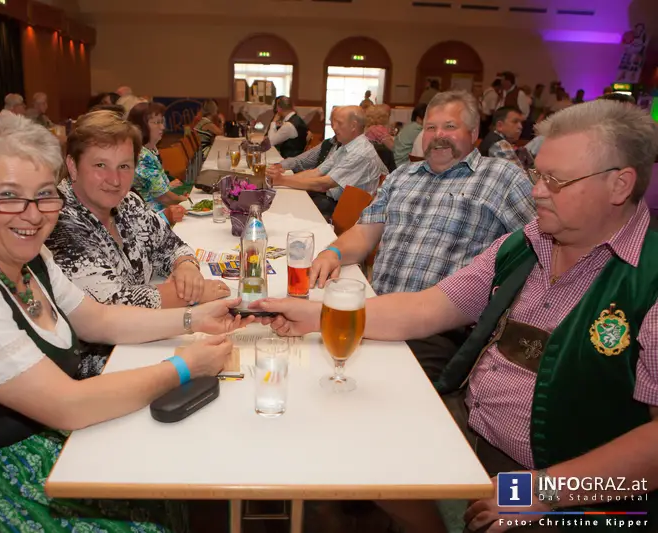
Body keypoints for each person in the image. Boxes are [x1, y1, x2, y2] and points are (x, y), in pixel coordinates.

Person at [254, 99, 658, 533]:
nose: (537, 190)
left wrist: (540, 492)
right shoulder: (528, 241)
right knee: (355, 440)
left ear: (620, 185)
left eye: (556, 181)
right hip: (474, 431)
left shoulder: (647, 280)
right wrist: (318, 315)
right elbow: (428, 306)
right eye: (539, 175)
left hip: (579, 486)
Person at [0, 114, 250, 533]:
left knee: (163, 473)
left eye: (44, 196)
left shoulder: (30, 256)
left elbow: (98, 319)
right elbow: (67, 406)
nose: (33, 216)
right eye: (9, 197)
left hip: (38, 433)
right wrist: (184, 367)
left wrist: (194, 318)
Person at [302, 91, 535, 381]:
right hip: (376, 310)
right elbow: (365, 232)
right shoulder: (403, 176)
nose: (438, 135)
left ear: (474, 133)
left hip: (436, 331)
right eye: (430, 128)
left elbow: (540, 248)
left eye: (450, 127)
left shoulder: (502, 178)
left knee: (370, 390)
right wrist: (332, 253)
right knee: (305, 360)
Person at [46, 110, 224, 377]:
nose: (115, 180)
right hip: (102, 366)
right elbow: (112, 306)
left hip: (148, 339)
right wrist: (195, 293)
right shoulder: (59, 223)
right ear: (72, 166)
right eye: (100, 166)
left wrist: (186, 266)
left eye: (124, 166)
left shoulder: (127, 201)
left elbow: (169, 243)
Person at [270, 106, 387, 218]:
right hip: (332, 202)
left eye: (339, 123)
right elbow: (316, 172)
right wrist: (280, 179)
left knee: (286, 209)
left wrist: (282, 180)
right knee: (285, 202)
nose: (334, 127)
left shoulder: (360, 152)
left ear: (353, 126)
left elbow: (324, 184)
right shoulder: (347, 146)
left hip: (345, 213)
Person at [128, 102, 190, 212]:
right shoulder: (142, 156)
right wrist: (189, 202)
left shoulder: (149, 150)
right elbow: (165, 198)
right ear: (140, 126)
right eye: (156, 122)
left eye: (162, 122)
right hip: (154, 217)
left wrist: (169, 187)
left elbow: (154, 189)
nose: (162, 127)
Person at [363, 104, 396, 173]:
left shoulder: (368, 128)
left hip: (368, 164)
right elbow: (393, 147)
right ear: (382, 117)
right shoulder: (379, 129)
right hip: (380, 166)